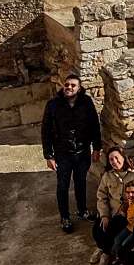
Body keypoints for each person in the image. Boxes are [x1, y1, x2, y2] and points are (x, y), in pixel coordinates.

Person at [41, 74, 100, 232]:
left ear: (79, 88)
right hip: (62, 153)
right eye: (67, 84)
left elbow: (94, 125)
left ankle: (82, 210)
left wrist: (97, 148)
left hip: (82, 151)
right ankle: (65, 217)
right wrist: (48, 155)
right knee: (63, 185)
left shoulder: (86, 102)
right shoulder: (53, 104)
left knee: (81, 182)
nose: (69, 87)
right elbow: (46, 130)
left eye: (73, 85)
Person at [90, 145, 134, 265]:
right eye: (111, 159)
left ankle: (106, 253)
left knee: (112, 229)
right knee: (98, 228)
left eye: (117, 158)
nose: (114, 161)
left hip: (127, 215)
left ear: (123, 157)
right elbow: (101, 196)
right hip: (111, 212)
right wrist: (104, 215)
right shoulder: (107, 176)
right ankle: (101, 248)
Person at [94, 182, 134, 265]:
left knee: (124, 243)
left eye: (132, 192)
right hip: (128, 225)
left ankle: (124, 262)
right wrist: (105, 215)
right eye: (128, 192)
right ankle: (110, 254)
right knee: (114, 237)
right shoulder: (128, 201)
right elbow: (102, 196)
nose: (130, 194)